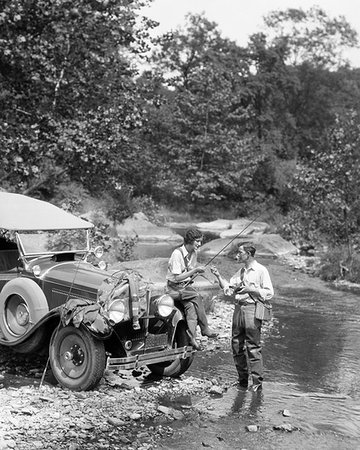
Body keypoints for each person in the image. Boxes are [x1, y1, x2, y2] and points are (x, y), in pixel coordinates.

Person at [211, 242, 274, 391]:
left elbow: (269, 293)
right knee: (236, 345)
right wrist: (218, 276)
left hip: (252, 309)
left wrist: (251, 289)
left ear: (249, 254)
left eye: (240, 253)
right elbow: (228, 289)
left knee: (253, 347)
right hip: (238, 309)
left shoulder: (261, 270)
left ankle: (257, 384)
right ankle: (243, 381)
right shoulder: (241, 271)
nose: (237, 255)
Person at [166, 228, 218, 351]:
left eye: (200, 241)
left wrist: (199, 271)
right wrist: (194, 271)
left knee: (191, 307)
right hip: (172, 289)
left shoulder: (193, 253)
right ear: (189, 241)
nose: (199, 244)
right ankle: (205, 329)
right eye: (197, 241)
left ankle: (192, 338)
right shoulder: (177, 254)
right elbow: (177, 277)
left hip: (183, 288)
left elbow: (189, 270)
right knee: (196, 296)